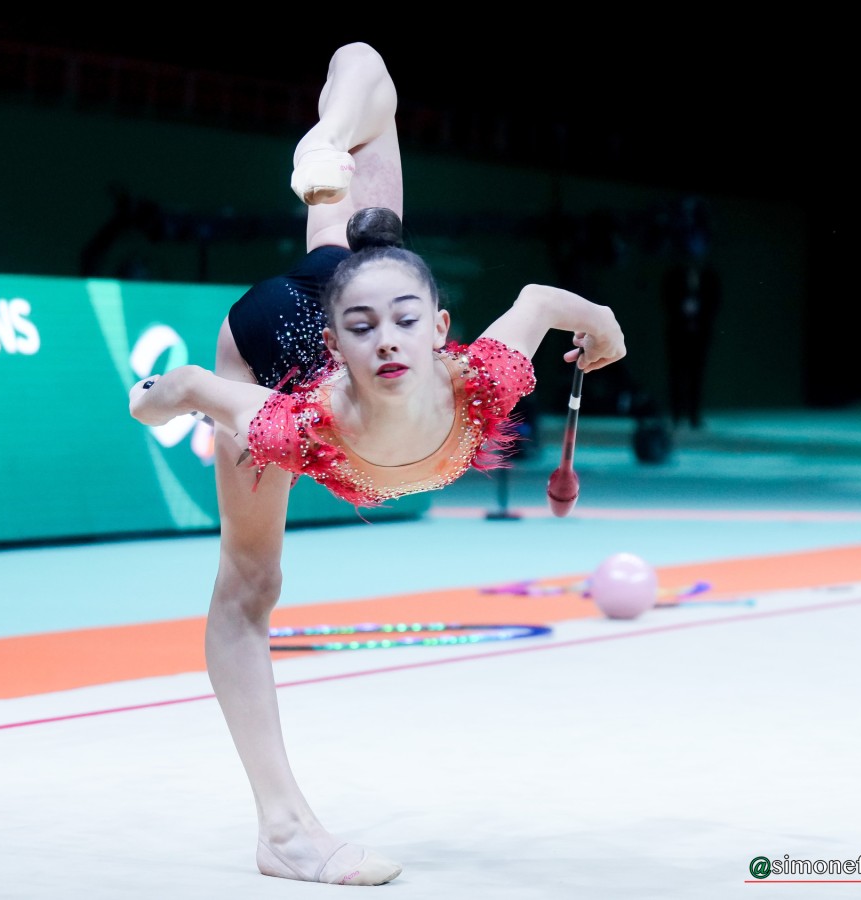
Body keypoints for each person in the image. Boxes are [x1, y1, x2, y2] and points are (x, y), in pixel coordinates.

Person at [127, 43, 627, 886]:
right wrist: (160, 398)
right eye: (366, 332)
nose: (390, 342)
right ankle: (283, 831)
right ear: (341, 344)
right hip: (274, 336)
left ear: (440, 329)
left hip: (355, 281)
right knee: (249, 584)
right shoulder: (301, 422)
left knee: (364, 66)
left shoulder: (482, 380)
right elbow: (196, 388)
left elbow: (539, 303)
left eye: (408, 323)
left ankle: (325, 149)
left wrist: (601, 319)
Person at [659, 197, 721, 429]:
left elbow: (715, 302)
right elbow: (666, 299)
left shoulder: (710, 277)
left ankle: (694, 415)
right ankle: (677, 414)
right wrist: (681, 312)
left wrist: (700, 316)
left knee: (697, 373)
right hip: (678, 329)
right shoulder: (674, 275)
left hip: (700, 330)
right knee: (677, 373)